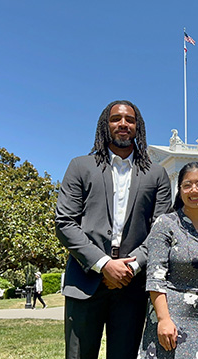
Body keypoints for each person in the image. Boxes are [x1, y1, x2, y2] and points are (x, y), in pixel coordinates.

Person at [55, 100, 172, 359]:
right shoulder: (80, 166)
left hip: (131, 287)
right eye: (116, 119)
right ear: (104, 125)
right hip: (85, 283)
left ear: (137, 127)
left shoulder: (156, 174)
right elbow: (65, 223)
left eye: (129, 120)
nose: (123, 124)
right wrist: (104, 264)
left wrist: (131, 266)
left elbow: (161, 231)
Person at [139, 162, 198, 359]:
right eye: (187, 185)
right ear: (179, 190)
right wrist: (163, 319)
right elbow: (155, 276)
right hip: (172, 318)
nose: (194, 190)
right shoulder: (166, 224)